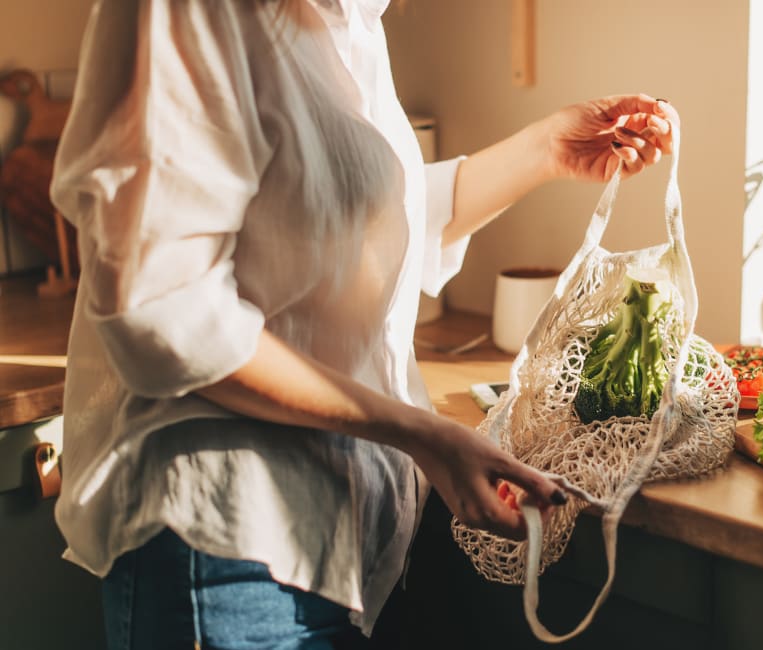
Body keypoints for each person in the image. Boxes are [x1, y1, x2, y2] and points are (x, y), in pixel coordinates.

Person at [50, 0, 677, 647]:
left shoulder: (349, 20)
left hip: (350, 552)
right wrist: (419, 433)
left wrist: (545, 149)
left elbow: (355, 222)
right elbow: (165, 313)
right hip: (228, 553)